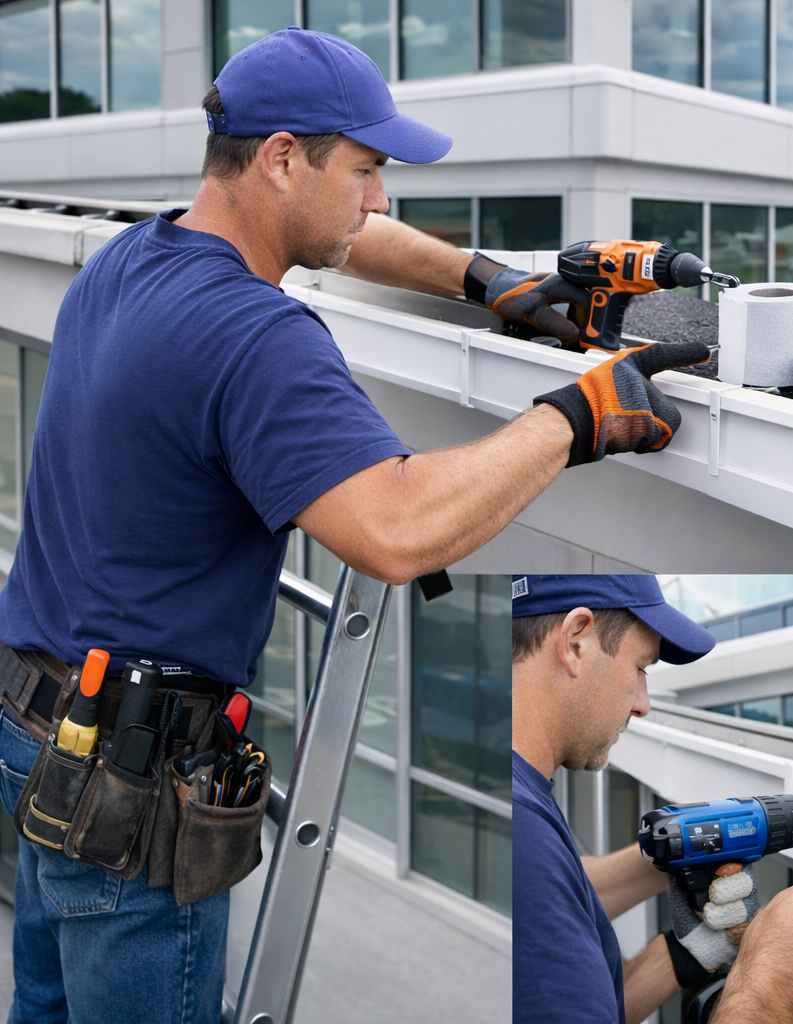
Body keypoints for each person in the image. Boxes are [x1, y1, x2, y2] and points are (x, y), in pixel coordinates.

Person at [0, 28, 712, 1024]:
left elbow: (343, 233)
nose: (380, 199)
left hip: (34, 736)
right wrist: (577, 417)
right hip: (132, 796)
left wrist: (485, 279)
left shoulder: (138, 256)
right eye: (369, 169)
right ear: (284, 157)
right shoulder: (256, 335)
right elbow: (396, 526)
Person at [512, 574, 793, 1024]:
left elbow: (572, 924)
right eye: (641, 667)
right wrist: (774, 990)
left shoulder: (525, 802)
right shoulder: (526, 841)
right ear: (575, 641)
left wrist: (686, 950)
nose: (643, 703)